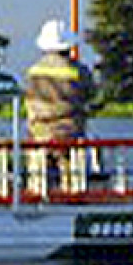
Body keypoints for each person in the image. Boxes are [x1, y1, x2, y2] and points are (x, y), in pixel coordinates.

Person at [24, 18, 97, 192]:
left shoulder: (33, 71)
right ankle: (71, 196)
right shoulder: (79, 71)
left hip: (39, 133)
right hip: (69, 132)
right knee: (73, 184)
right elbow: (90, 94)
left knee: (38, 183)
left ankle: (38, 197)